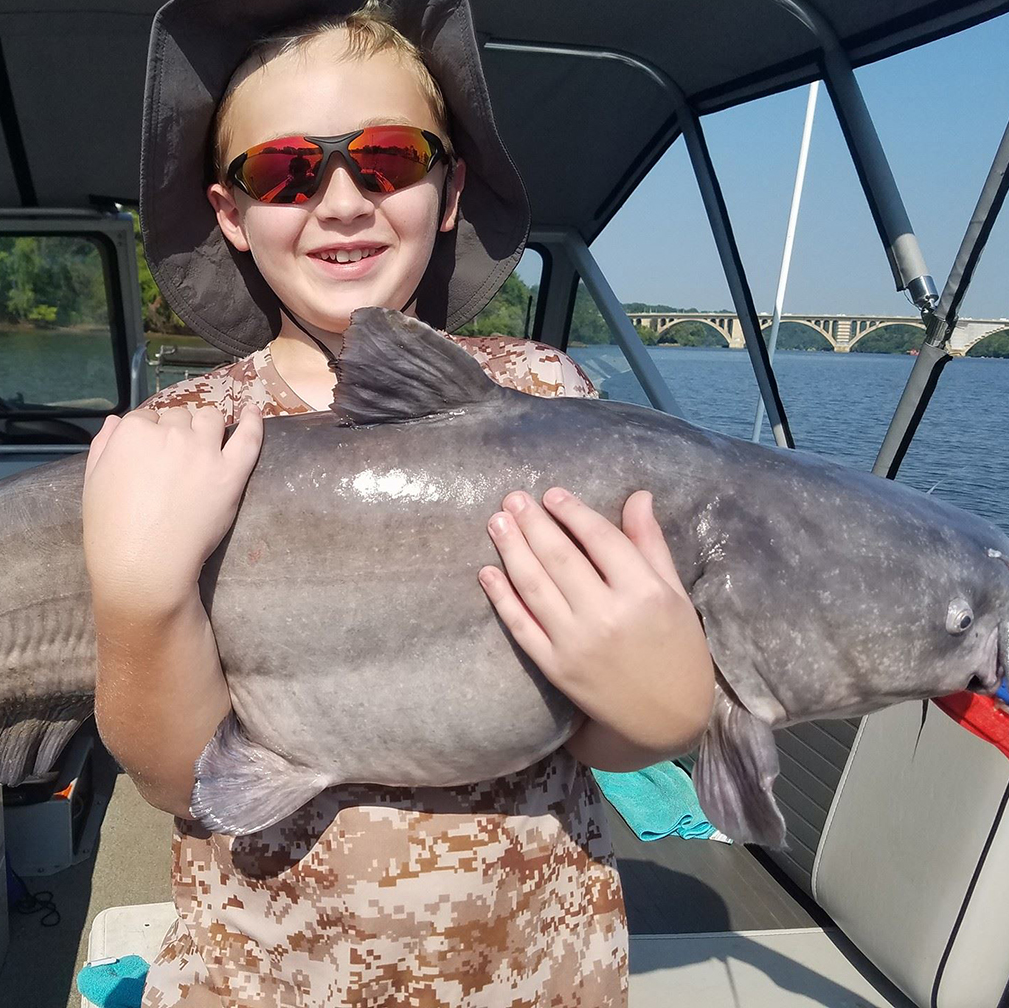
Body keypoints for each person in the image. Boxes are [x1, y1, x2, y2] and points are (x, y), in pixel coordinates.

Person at [82, 1, 715, 1003]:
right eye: (285, 172)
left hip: (530, 971)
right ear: (232, 213)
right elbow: (177, 777)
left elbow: (591, 722)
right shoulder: (184, 432)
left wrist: (668, 713)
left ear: (449, 188)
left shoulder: (551, 401)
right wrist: (137, 604)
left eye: (385, 159)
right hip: (265, 977)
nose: (340, 202)